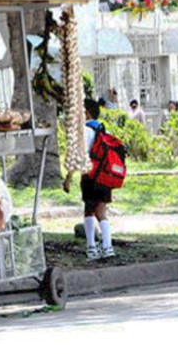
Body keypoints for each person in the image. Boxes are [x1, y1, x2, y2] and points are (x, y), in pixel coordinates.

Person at [63, 99, 115, 261]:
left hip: (90, 176)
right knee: (102, 211)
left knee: (89, 211)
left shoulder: (84, 130)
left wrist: (69, 177)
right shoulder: (103, 130)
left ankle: (91, 247)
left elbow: (77, 155)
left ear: (86, 113)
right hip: (105, 177)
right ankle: (107, 247)